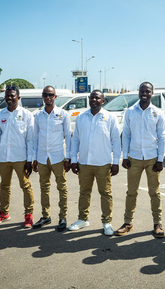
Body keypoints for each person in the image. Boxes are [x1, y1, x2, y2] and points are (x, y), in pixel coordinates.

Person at [115, 82, 165, 238]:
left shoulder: (158, 113)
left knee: (154, 192)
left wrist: (160, 159)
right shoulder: (130, 112)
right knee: (131, 192)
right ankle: (128, 222)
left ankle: (157, 223)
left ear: (152, 93)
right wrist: (125, 157)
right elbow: (127, 135)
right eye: (142, 91)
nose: (145, 93)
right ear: (138, 92)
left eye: (148, 91)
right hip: (134, 157)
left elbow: (162, 137)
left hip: (152, 158)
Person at [68, 90, 121, 236]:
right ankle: (82, 219)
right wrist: (74, 160)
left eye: (97, 98)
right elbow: (75, 140)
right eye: (92, 97)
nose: (94, 100)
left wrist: (115, 161)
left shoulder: (109, 117)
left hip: (103, 162)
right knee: (84, 192)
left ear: (103, 101)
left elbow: (116, 140)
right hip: (84, 162)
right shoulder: (81, 117)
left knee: (105, 193)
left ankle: (107, 222)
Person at [0, 86, 35, 228]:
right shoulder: (0, 115)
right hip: (4, 157)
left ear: (18, 98)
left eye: (12, 96)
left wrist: (29, 160)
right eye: (7, 96)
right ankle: (4, 213)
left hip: (20, 157)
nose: (9, 98)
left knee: (26, 186)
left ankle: (28, 214)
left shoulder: (27, 115)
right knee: (4, 185)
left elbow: (30, 139)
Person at [32, 86, 71, 232]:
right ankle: (45, 216)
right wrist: (34, 158)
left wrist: (69, 157)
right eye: (45, 95)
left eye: (51, 95)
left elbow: (68, 137)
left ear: (55, 97)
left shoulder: (63, 114)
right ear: (42, 97)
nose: (48, 97)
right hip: (42, 157)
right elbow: (35, 138)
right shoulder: (37, 116)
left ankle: (62, 217)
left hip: (58, 156)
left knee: (62, 187)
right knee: (44, 187)